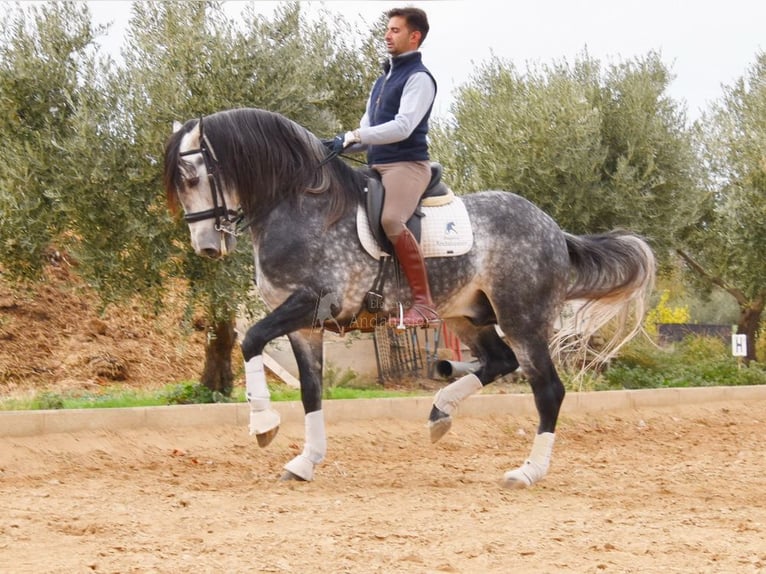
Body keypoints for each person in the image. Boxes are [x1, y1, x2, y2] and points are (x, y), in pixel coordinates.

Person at [338, 7, 439, 329]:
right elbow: (367, 133)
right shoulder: (381, 82)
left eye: (395, 30)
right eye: (387, 29)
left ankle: (424, 304)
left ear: (415, 36)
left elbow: (403, 126)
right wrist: (335, 144)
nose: (387, 35)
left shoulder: (419, 78)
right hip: (376, 166)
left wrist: (356, 135)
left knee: (391, 220)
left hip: (406, 166)